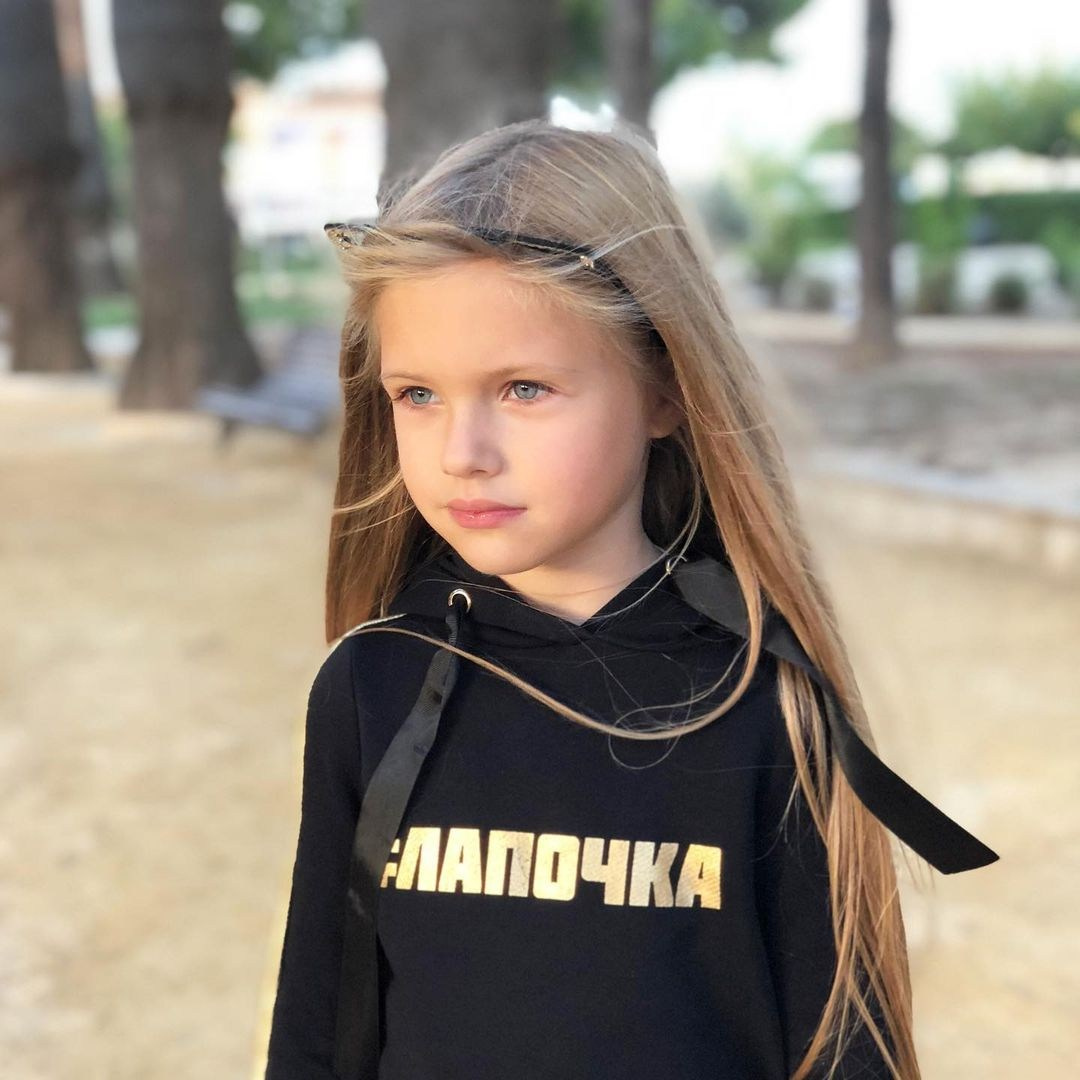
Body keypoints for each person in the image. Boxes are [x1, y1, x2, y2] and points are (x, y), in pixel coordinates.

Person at [262, 118, 997, 1080]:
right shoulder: (372, 683)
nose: (461, 454)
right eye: (418, 395)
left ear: (664, 387)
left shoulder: (764, 698)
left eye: (524, 389)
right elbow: (316, 1030)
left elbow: (844, 1050)